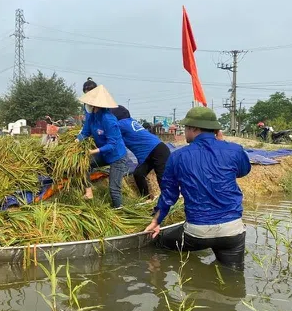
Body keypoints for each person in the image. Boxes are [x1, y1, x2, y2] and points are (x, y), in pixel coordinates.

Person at [144, 107, 251, 268]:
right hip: (232, 229)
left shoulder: (178, 157)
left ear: (194, 128)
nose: (185, 131)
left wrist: (156, 221)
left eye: (186, 128)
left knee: (160, 242)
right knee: (232, 277)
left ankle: (164, 272)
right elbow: (243, 171)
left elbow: (169, 196)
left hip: (197, 232)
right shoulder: (234, 150)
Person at [77, 85, 128, 209]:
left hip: (116, 156)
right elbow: (85, 132)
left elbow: (112, 144)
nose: (87, 105)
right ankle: (88, 192)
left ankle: (119, 210)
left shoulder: (109, 119)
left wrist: (94, 151)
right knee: (83, 164)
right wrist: (77, 141)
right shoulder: (92, 116)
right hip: (104, 154)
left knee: (114, 189)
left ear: (96, 105)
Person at [111, 105, 171, 199]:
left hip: (157, 151)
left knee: (162, 179)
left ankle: (169, 202)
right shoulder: (130, 121)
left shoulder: (121, 124)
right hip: (153, 151)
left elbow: (108, 133)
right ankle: (146, 198)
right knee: (138, 174)